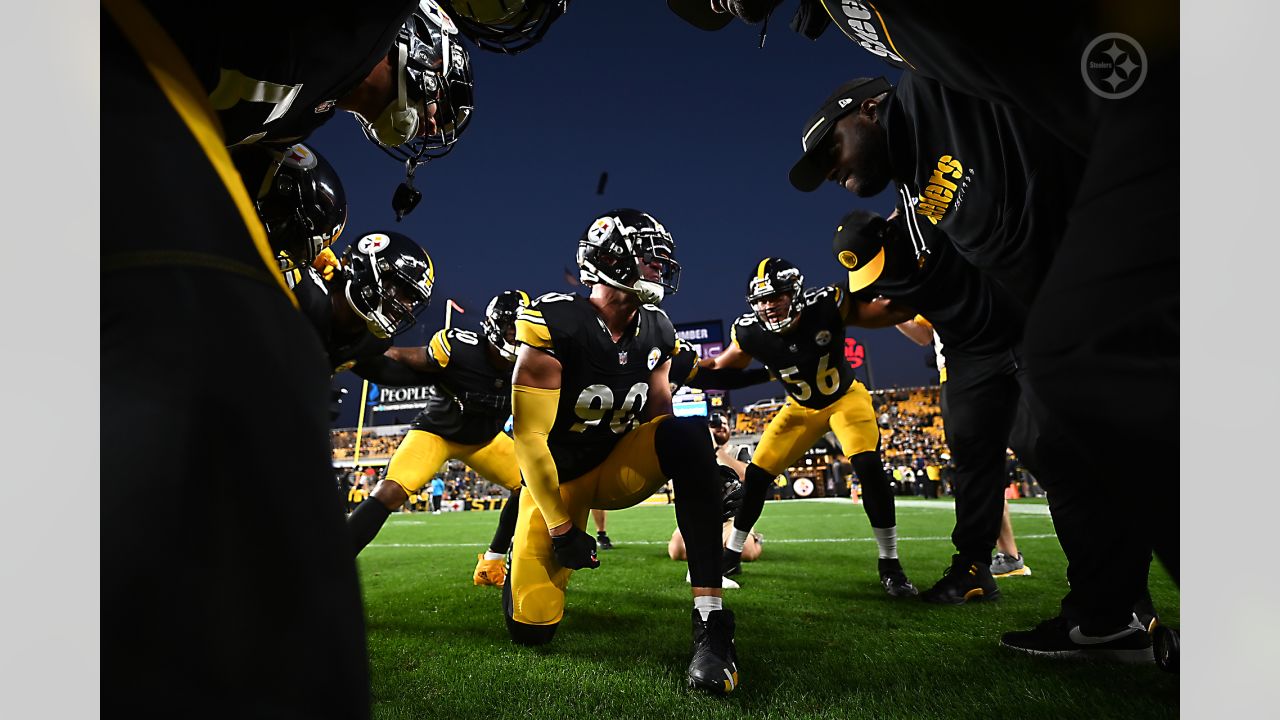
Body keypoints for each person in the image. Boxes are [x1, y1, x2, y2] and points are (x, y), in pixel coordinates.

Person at [692, 2, 1178, 658]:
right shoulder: (915, 196)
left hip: (1133, 221)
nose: (829, 171)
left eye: (827, 149)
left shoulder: (933, 85)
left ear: (867, 107)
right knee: (1049, 436)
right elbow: (892, 303)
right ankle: (1107, 616)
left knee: (1102, 387)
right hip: (1049, 302)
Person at [101, 1, 477, 714]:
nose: (431, 125)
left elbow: (387, 365)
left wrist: (443, 367)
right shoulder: (334, 33)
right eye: (440, 105)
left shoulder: (309, 102)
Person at [506, 208, 743, 694]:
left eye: (660, 261)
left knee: (689, 436)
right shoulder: (555, 321)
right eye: (649, 259)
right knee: (532, 630)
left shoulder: (657, 328)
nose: (659, 269)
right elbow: (528, 440)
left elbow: (660, 415)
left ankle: (711, 621)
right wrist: (562, 528)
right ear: (610, 259)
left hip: (617, 467)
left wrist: (700, 468)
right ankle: (517, 557)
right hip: (559, 481)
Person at [698, 257, 916, 598]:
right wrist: (687, 368)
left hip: (845, 397)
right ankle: (731, 555)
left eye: (776, 297)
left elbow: (885, 313)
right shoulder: (749, 331)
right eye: (761, 300)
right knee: (756, 477)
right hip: (800, 408)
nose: (768, 307)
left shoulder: (827, 305)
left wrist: (915, 291)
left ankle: (890, 564)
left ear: (794, 293)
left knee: (868, 466)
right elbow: (723, 367)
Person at [345, 290, 531, 589]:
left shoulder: (533, 363)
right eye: (512, 329)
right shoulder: (461, 349)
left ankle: (492, 563)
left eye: (524, 330)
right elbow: (400, 361)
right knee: (390, 491)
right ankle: (328, 563)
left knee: (530, 485)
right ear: (496, 327)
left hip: (484, 440)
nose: (519, 337)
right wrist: (357, 353)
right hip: (436, 433)